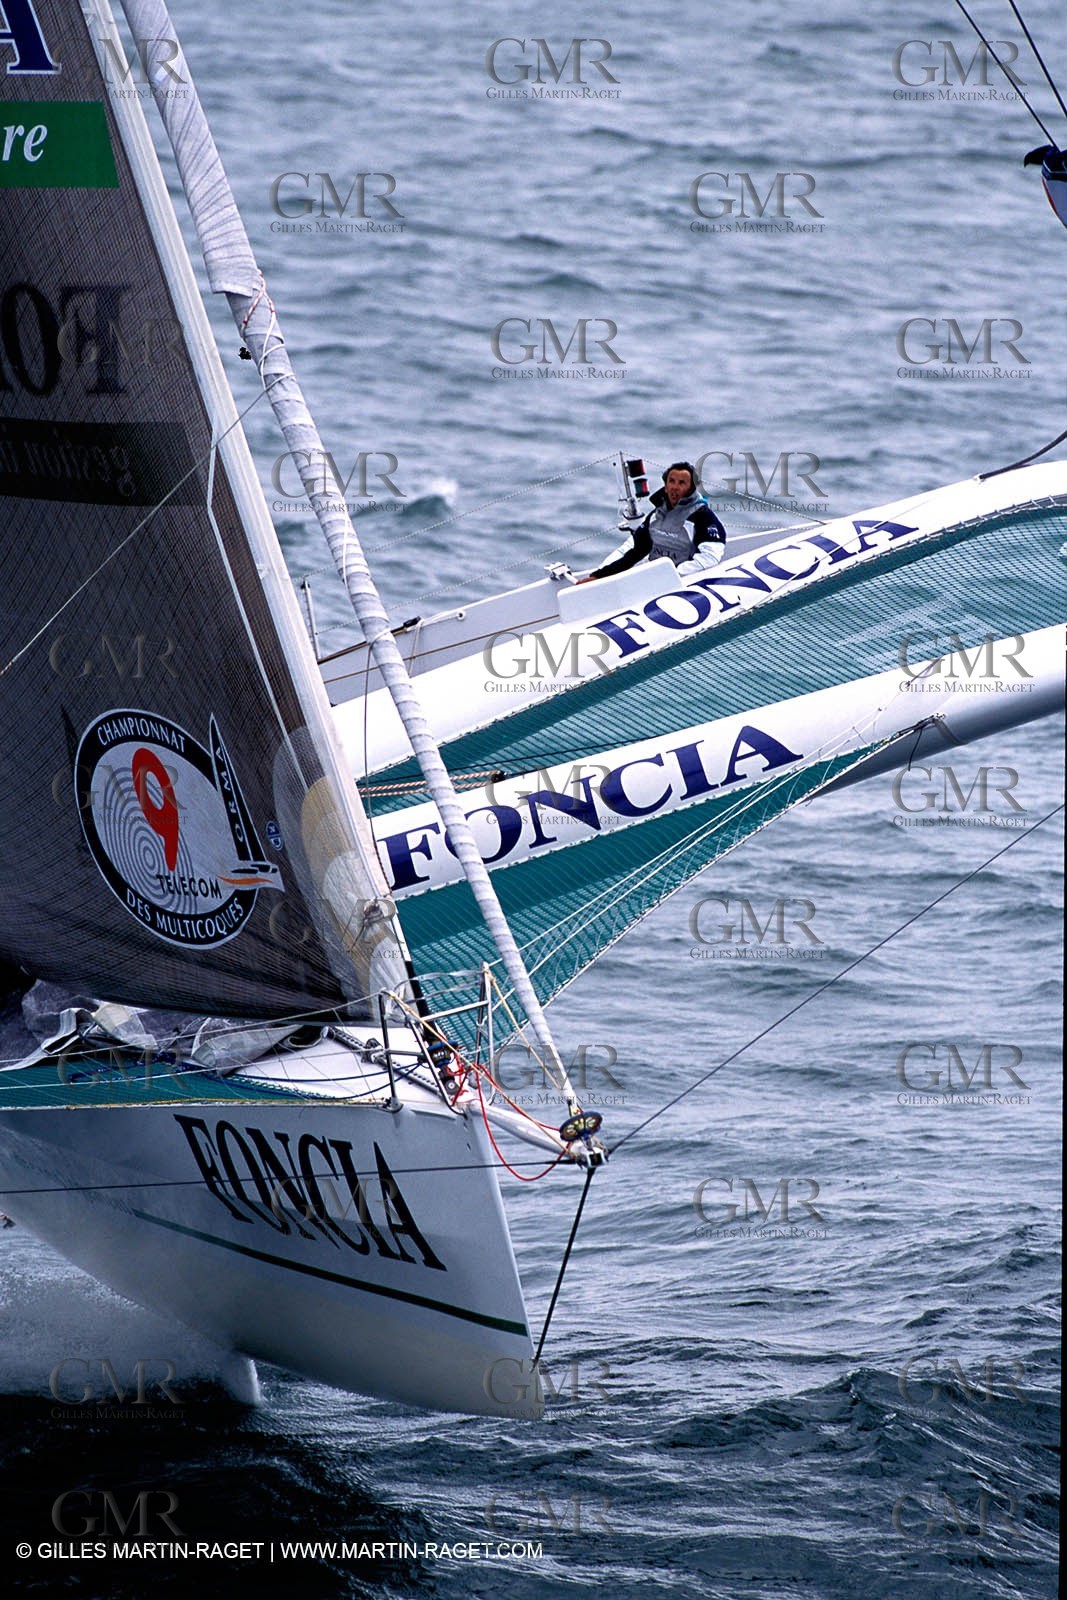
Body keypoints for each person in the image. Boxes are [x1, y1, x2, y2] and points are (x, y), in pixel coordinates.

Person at [577, 462, 726, 583]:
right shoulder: (656, 516)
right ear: (665, 487)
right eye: (671, 481)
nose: (675, 487)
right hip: (653, 579)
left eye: (682, 483)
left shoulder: (703, 517)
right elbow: (635, 552)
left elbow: (710, 557)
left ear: (691, 489)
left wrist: (672, 574)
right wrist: (599, 576)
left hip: (683, 581)